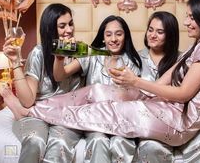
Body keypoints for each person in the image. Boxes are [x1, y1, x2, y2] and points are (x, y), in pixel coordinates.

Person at [1, 0, 200, 150]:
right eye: (108, 34)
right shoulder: (198, 45)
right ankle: (35, 109)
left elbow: (183, 94)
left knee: (108, 110)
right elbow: (165, 80)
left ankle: (31, 112)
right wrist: (139, 88)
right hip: (167, 106)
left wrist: (136, 83)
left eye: (192, 16)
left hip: (179, 120)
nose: (187, 21)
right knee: (99, 90)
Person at [52, 15, 142, 163]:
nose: (113, 39)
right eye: (108, 34)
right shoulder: (92, 55)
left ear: (125, 36)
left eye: (119, 34)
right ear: (103, 37)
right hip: (94, 121)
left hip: (121, 121)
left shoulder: (133, 62)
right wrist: (59, 59)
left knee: (121, 142)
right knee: (98, 140)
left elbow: (135, 99)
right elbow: (60, 75)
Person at [2, 4, 84, 163]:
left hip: (66, 116)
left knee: (58, 145)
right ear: (50, 29)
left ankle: (17, 109)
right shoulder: (39, 53)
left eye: (71, 24)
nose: (69, 29)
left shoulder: (79, 51)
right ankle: (18, 109)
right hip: (39, 114)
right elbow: (28, 100)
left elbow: (62, 75)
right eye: (62, 25)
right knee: (34, 143)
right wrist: (15, 62)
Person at [133, 11, 200, 163]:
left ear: (170, 35)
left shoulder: (186, 59)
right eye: (150, 30)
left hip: (183, 119)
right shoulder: (134, 59)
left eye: (160, 32)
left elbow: (189, 93)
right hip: (152, 122)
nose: (152, 35)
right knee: (150, 146)